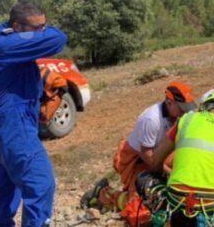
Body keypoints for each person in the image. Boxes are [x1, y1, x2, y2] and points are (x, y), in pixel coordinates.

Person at [0, 2, 67, 227]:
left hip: (3, 127)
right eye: (37, 28)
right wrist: (44, 33)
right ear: (17, 26)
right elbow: (58, 39)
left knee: (5, 188)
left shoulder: (8, 37)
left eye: (44, 26)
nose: (42, 32)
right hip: (13, 128)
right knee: (40, 182)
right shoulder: (4, 45)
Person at [81, 81, 196, 217]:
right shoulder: (151, 120)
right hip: (138, 161)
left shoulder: (179, 117)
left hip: (159, 159)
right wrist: (168, 172)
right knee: (142, 207)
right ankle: (104, 193)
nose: (185, 112)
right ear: (169, 102)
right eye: (182, 108)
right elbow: (149, 158)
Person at [144, 92, 214, 227]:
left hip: (178, 203)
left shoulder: (186, 120)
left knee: (144, 179)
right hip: (212, 208)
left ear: (203, 107)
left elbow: (156, 161)